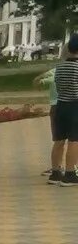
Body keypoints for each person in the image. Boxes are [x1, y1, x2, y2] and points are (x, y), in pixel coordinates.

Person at [48, 35, 78, 185]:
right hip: (75, 106)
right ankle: (71, 173)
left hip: (61, 104)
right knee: (74, 140)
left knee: (59, 140)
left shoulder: (60, 67)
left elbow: (58, 86)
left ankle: (55, 172)